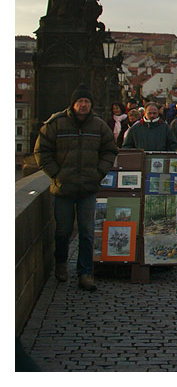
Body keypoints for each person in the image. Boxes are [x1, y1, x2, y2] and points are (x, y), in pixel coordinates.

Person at [34, 84, 118, 291]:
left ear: (91, 105)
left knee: (88, 232)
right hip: (63, 188)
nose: (83, 105)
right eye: (80, 101)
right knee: (63, 231)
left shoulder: (98, 125)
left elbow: (110, 149)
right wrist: (56, 174)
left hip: (88, 187)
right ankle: (61, 263)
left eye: (87, 102)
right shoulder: (56, 123)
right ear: (73, 104)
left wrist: (99, 173)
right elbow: (41, 150)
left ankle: (85, 273)